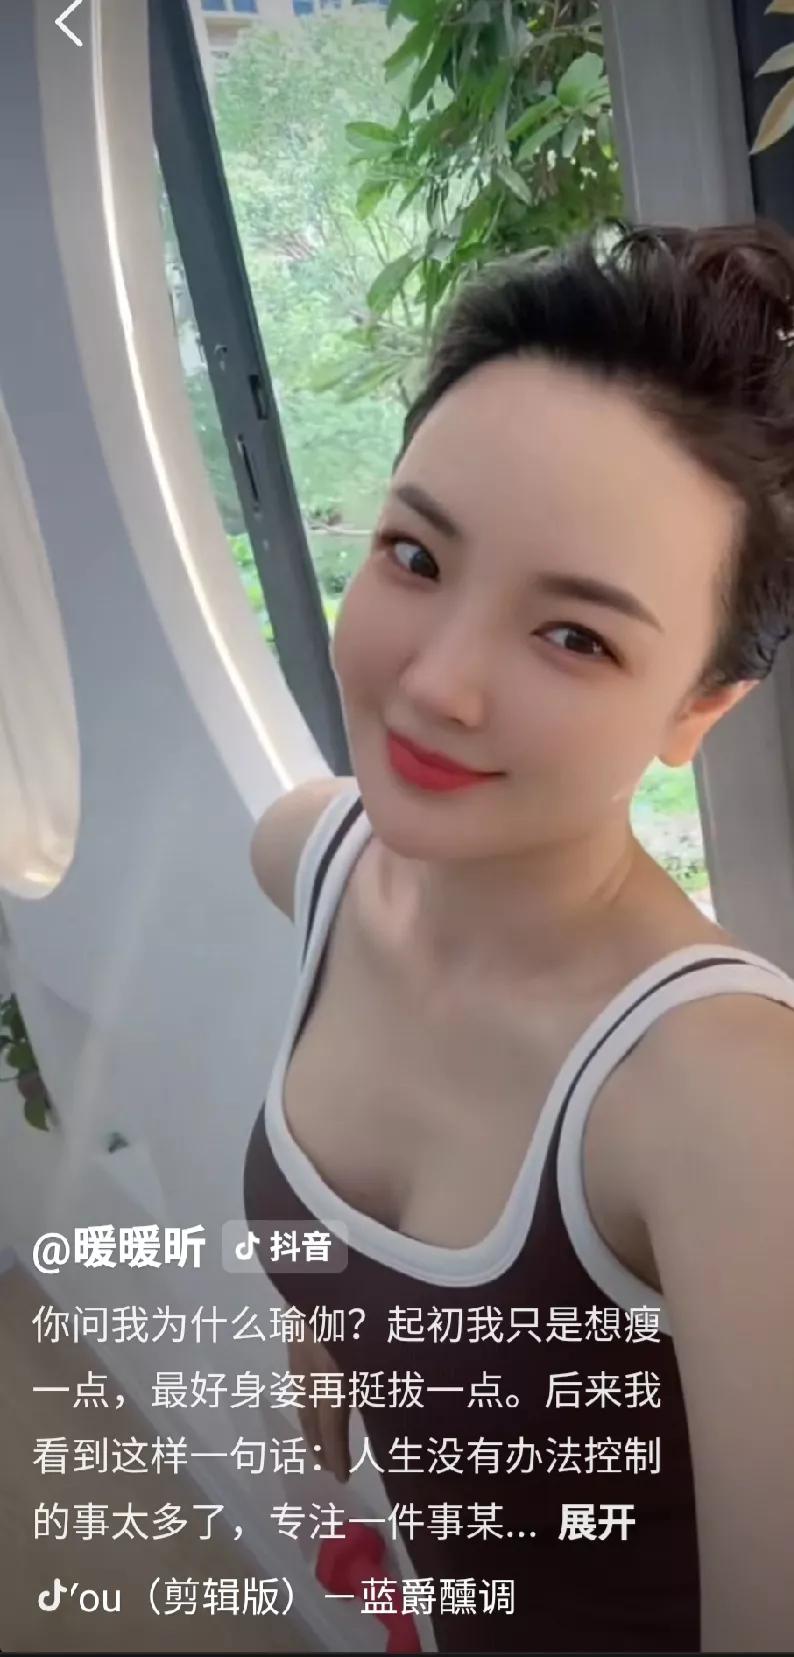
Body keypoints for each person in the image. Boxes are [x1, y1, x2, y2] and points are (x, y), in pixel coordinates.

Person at [244, 220, 794, 1653]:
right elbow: (343, 1261)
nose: (437, 684)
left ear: (697, 710)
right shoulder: (309, 859)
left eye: (575, 637)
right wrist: (329, 1391)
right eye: (416, 554)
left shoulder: (726, 1105)